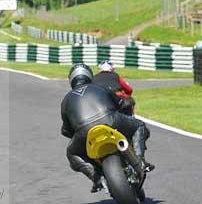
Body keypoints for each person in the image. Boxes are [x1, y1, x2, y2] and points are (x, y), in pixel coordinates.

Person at [61, 64, 153, 193]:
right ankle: (141, 160)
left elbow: (65, 130)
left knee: (72, 153)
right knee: (139, 125)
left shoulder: (66, 100)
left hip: (84, 131)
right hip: (110, 120)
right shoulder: (100, 88)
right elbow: (122, 102)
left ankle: (96, 177)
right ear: (89, 76)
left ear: (71, 80)